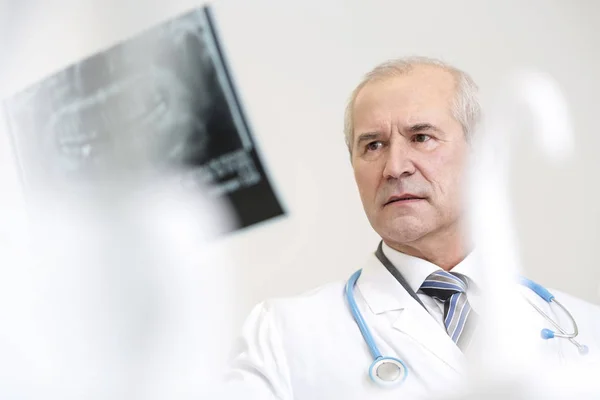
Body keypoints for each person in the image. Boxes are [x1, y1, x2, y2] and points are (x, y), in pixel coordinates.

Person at [223, 57, 600, 400]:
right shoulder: (284, 334)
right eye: (373, 145)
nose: (395, 167)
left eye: (421, 138)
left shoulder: (586, 327)